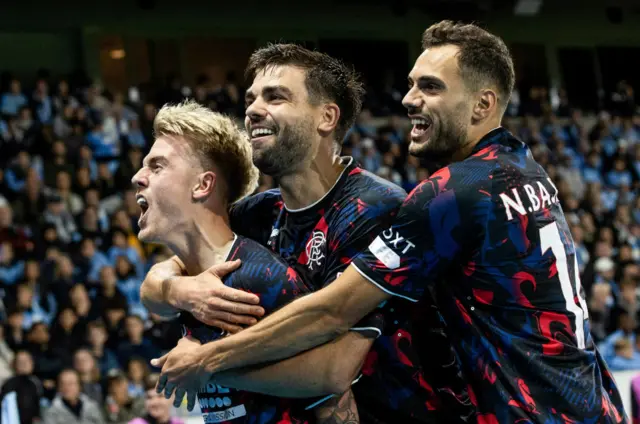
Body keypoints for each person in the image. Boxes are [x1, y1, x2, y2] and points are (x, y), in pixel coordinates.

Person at [152, 22, 627, 423]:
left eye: (431, 87)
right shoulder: (521, 167)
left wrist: (210, 362)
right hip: (586, 401)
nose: (407, 99)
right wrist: (174, 289)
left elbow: (331, 323)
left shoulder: (423, 199)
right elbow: (173, 265)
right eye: (413, 83)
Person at [142, 44, 473, 423]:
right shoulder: (256, 213)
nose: (251, 110)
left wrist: (207, 366)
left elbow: (334, 369)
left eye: (276, 96)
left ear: (326, 117)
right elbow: (157, 283)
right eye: (250, 98)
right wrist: (179, 289)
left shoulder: (376, 208)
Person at [133, 100, 360, 423]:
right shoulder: (191, 282)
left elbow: (333, 393)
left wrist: (206, 365)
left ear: (202, 185)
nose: (138, 177)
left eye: (156, 166)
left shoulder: (260, 278)